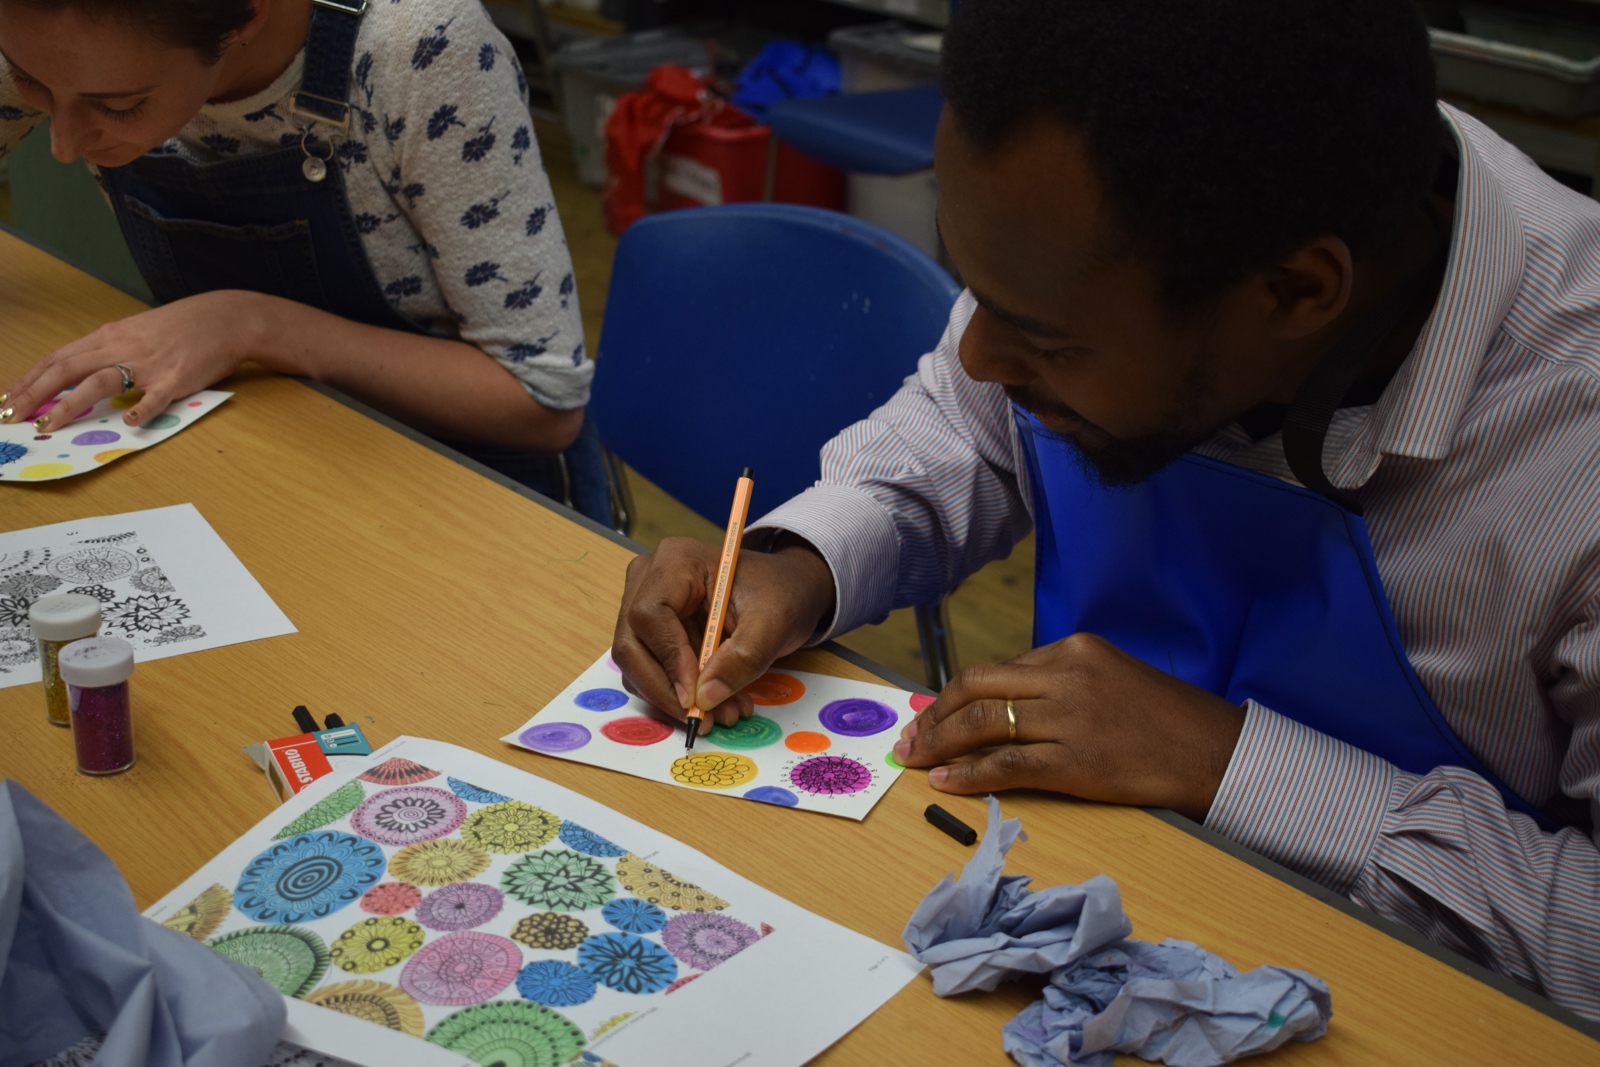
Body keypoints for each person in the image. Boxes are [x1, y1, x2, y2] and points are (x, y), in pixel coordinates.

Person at [612, 0, 1600, 1022]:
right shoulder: (1100, 230)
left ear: (1296, 293)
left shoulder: (1571, 439)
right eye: (972, 288)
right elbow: (956, 427)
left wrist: (1226, 759)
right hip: (1070, 921)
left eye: (1048, 341)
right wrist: (794, 561)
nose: (979, 357)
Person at [0, 0, 611, 522]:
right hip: (261, 456)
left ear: (248, 13)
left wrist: (252, 327)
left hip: (468, 490)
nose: (65, 145)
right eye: (32, 84)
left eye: (120, 106)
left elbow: (543, 401)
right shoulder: (56, 34)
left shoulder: (420, 47)